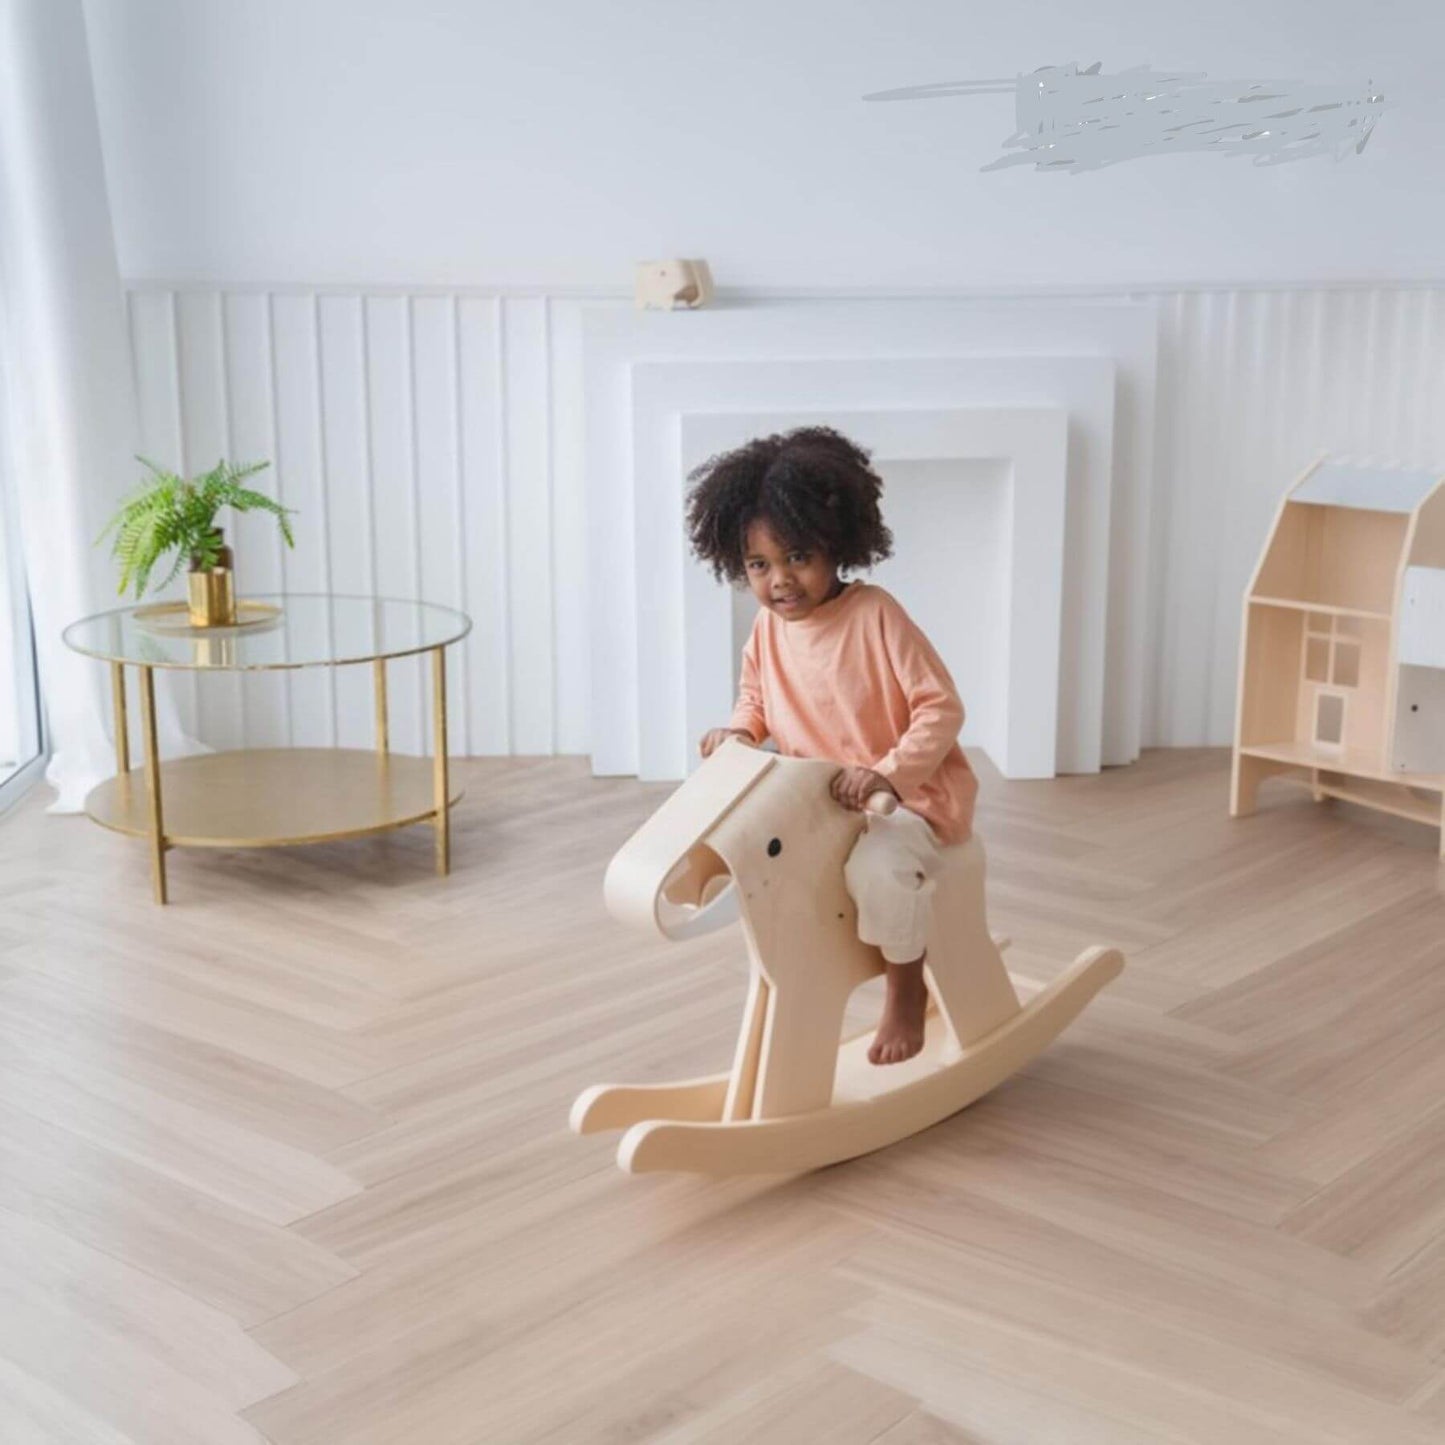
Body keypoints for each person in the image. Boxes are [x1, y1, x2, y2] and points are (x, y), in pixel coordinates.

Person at [686, 425, 978, 1065]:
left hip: (901, 803)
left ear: (836, 547)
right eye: (759, 565)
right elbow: (755, 699)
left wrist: (888, 776)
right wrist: (739, 731)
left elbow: (941, 706)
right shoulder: (767, 629)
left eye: (797, 558)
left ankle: (905, 990)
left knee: (876, 871)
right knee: (750, 849)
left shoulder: (876, 615)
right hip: (815, 801)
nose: (780, 581)